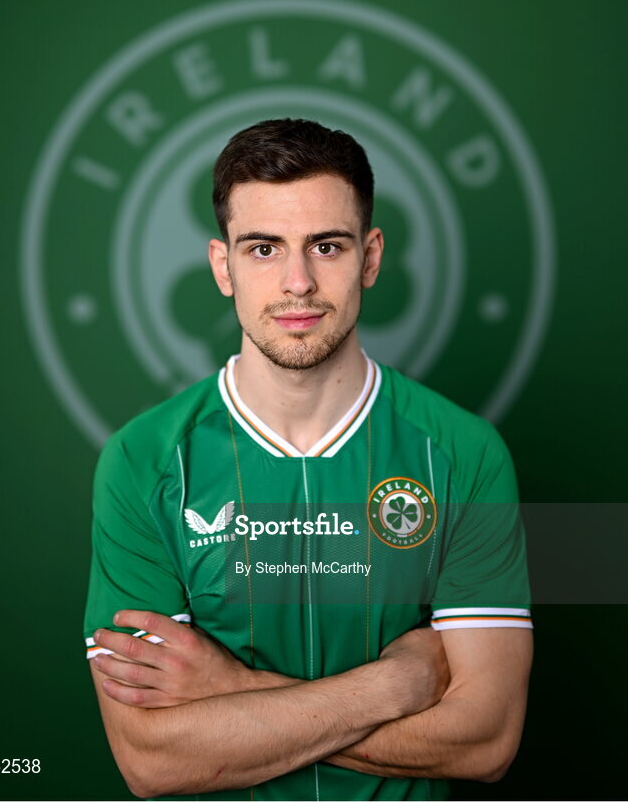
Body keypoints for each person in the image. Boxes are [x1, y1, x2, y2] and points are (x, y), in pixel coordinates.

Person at [84, 118, 533, 801]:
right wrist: (395, 683)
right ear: (221, 265)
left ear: (372, 256)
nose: (297, 282)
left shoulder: (465, 454)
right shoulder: (142, 461)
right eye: (262, 248)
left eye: (326, 246)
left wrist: (230, 691)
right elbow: (152, 758)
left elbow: (485, 740)